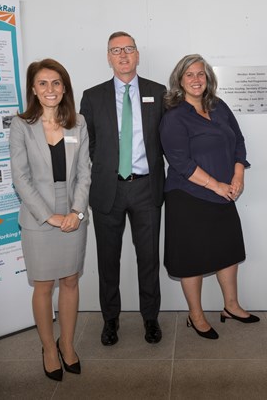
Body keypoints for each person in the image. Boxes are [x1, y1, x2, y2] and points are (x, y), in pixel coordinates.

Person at [160, 54, 259, 340]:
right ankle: (196, 316)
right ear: (180, 80)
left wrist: (238, 175)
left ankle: (231, 306)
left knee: (227, 251)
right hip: (188, 196)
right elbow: (180, 161)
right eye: (189, 74)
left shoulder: (218, 106)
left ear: (208, 78)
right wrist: (216, 184)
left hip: (224, 193)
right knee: (192, 258)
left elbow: (238, 141)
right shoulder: (174, 116)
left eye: (200, 74)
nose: (195, 79)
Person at [80, 31, 166, 346]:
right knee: (108, 260)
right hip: (108, 190)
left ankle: (151, 319)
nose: (123, 55)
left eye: (128, 49)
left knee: (148, 259)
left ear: (137, 54)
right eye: (116, 50)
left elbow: (167, 139)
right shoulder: (92, 96)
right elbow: (87, 144)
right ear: (108, 57)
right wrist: (105, 167)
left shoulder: (158, 92)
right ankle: (110, 320)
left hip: (146, 188)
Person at [10, 58, 91, 381]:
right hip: (37, 215)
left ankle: (67, 345)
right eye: (42, 83)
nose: (50, 89)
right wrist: (51, 217)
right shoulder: (21, 125)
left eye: (56, 83)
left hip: (74, 211)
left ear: (65, 87)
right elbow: (21, 178)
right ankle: (47, 348)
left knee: (70, 281)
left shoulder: (78, 123)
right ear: (33, 88)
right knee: (43, 286)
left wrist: (77, 212)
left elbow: (85, 172)